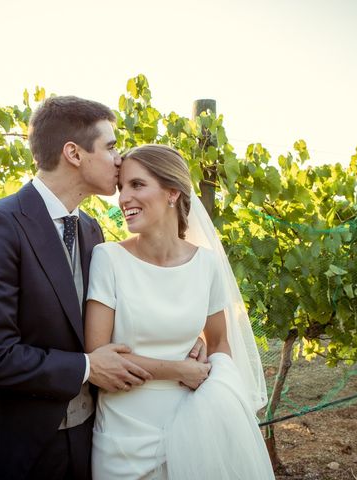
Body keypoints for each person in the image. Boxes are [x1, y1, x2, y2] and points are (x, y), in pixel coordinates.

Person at [0, 97, 205, 480]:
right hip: (26, 444)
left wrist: (183, 336)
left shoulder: (91, 229)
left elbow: (104, 323)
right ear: (73, 153)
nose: (119, 159)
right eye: (110, 147)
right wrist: (87, 367)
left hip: (93, 436)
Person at [85, 144, 275, 479]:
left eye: (137, 185)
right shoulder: (108, 259)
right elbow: (98, 354)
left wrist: (212, 388)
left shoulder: (206, 264)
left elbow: (218, 344)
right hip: (124, 435)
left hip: (195, 427)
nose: (123, 198)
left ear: (172, 192)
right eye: (121, 188)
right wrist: (178, 370)